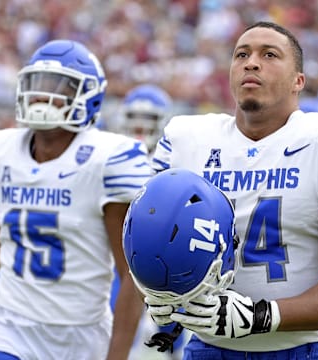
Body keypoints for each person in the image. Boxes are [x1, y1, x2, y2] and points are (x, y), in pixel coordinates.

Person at [144, 21, 318, 359]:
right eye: (241, 54)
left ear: (298, 81)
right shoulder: (187, 139)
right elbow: (148, 240)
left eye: (269, 54)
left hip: (303, 349)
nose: (251, 62)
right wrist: (162, 292)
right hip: (210, 347)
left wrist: (261, 316)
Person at [0, 39, 151, 360]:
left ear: (88, 95)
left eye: (57, 86)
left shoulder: (107, 158)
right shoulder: (4, 150)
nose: (42, 95)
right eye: (37, 84)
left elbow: (133, 276)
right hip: (9, 327)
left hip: (80, 335)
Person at [106, 84, 187, 360]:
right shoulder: (111, 160)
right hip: (120, 259)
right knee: (116, 328)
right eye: (134, 118)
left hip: (165, 262)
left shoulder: (175, 162)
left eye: (149, 119)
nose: (140, 126)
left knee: (173, 331)